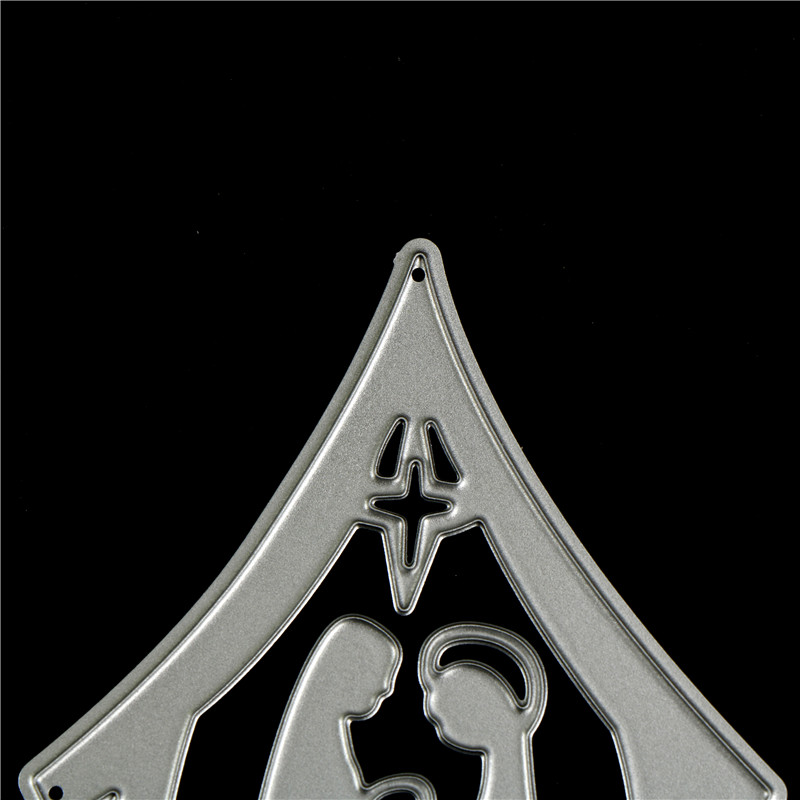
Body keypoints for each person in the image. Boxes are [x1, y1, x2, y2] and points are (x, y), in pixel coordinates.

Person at [260, 615, 435, 800]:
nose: (386, 688)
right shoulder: (313, 741)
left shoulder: (320, 735)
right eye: (378, 673)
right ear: (346, 675)